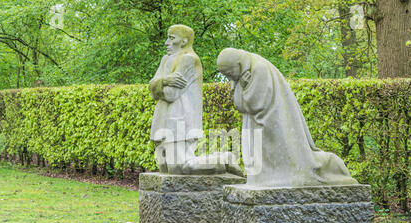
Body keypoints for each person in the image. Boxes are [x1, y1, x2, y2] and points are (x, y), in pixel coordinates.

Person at [217, 48, 358, 186]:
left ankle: (330, 167)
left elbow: (253, 105)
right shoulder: (244, 73)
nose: (229, 78)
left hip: (270, 122)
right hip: (257, 124)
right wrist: (239, 87)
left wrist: (243, 88)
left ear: (238, 64)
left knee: (284, 159)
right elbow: (241, 107)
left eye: (229, 73)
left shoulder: (259, 69)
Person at [149, 25, 243, 176]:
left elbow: (171, 94)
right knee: (166, 169)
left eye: (171, 38)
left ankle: (224, 159)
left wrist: (159, 83)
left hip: (180, 121)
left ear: (184, 41)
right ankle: (223, 159)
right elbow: (152, 89)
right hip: (162, 119)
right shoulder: (165, 60)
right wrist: (166, 80)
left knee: (180, 168)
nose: (166, 42)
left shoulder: (189, 60)